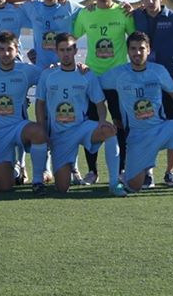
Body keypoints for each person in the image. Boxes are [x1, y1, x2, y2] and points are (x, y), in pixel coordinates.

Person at [100, 32, 173, 196]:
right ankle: (134, 172)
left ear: (148, 50)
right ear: (128, 51)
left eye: (141, 48)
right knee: (134, 186)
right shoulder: (118, 74)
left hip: (162, 130)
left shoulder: (158, 71)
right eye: (133, 49)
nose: (137, 53)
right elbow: (92, 83)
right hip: (138, 136)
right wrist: (82, 69)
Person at [35, 33, 126, 196]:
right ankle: (70, 167)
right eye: (62, 50)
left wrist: (102, 121)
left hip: (82, 128)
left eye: (69, 49)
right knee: (62, 188)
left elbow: (100, 104)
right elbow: (39, 104)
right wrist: (42, 128)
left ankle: (114, 183)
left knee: (109, 130)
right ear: (56, 51)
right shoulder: (47, 75)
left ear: (75, 50)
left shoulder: (86, 74)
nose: (66, 53)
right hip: (60, 135)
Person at [20, 0, 84, 184]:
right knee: (45, 119)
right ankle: (45, 168)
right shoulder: (33, 7)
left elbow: (92, 10)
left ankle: (73, 166)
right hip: (42, 73)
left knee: (69, 118)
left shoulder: (69, 6)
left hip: (66, 71)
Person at [72, 0, 135, 185]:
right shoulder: (86, 14)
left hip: (117, 80)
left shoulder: (124, 13)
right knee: (92, 124)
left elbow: (135, 40)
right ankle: (92, 171)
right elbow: (71, 38)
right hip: (93, 78)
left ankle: (122, 169)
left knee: (120, 124)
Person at [0, 31, 49, 195]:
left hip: (19, 127)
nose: (6, 53)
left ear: (16, 50)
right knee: (4, 186)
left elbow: (49, 76)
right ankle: (15, 168)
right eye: (2, 49)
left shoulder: (26, 71)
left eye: (10, 49)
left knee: (39, 132)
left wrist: (70, 67)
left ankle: (38, 180)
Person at [131, 0, 173, 188]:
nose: (150, 1)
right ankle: (148, 171)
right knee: (148, 122)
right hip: (146, 78)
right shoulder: (136, 16)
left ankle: (170, 172)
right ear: (141, 0)